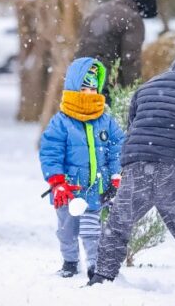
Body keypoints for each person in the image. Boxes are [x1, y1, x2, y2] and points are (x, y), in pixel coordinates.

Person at [88, 42, 175, 293]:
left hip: (136, 163)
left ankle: (103, 274)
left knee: (118, 222)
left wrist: (141, 153)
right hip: (173, 169)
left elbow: (133, 123)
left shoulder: (149, 86)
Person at [39, 57, 125, 279]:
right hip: (69, 188)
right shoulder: (62, 122)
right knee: (67, 230)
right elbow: (50, 152)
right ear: (75, 87)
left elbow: (118, 146)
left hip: (96, 187)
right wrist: (57, 182)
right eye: (85, 88)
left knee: (92, 229)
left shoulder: (105, 120)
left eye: (94, 88)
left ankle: (94, 265)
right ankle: (70, 260)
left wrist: (116, 175)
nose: (89, 93)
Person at [75, 0, 157, 92]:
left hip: (79, 75)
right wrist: (133, 92)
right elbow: (130, 60)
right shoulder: (132, 18)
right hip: (104, 79)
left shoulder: (101, 10)